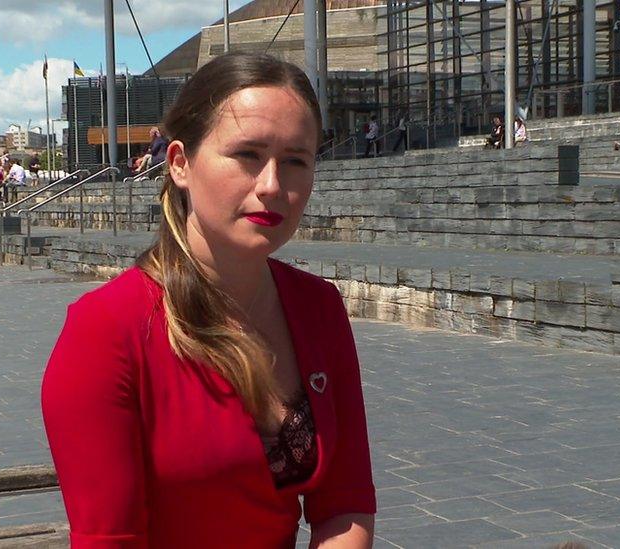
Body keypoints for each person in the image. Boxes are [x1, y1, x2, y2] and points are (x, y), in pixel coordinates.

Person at [41, 53, 376, 548]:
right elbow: (109, 539)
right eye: (247, 155)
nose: (272, 186)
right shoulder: (106, 332)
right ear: (179, 163)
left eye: (295, 160)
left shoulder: (319, 308)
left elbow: (344, 503)